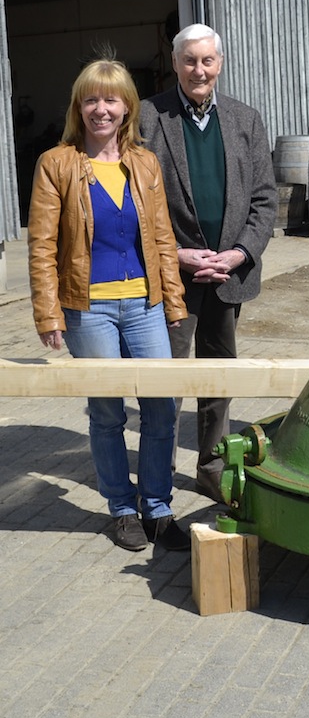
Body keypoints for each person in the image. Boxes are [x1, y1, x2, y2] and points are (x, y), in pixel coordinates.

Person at [28, 56, 190, 552]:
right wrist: (48, 313)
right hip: (88, 308)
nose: (102, 108)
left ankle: (158, 507)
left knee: (161, 410)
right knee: (106, 413)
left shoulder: (144, 163)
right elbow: (41, 245)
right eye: (92, 99)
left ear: (127, 107)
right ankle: (122, 508)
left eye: (111, 99)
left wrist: (175, 303)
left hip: (144, 305)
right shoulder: (56, 163)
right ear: (80, 106)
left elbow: (163, 237)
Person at [140, 23, 277, 503]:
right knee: (169, 377)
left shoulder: (245, 119)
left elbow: (264, 199)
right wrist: (174, 254)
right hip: (172, 273)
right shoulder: (147, 118)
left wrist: (239, 253)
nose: (199, 70)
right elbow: (134, 202)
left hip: (227, 272)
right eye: (190, 60)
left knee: (219, 374)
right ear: (175, 63)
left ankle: (212, 466)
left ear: (220, 63)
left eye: (207, 60)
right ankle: (156, 480)